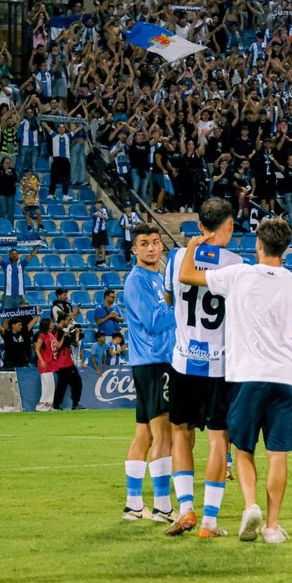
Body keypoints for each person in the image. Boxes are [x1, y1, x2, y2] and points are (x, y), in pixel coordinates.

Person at [179, 216, 292, 545]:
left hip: (244, 377)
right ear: (285, 249)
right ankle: (272, 526)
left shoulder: (238, 274)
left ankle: (250, 506)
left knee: (243, 449)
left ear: (258, 244)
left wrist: (191, 247)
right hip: (283, 378)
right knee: (278, 455)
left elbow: (186, 275)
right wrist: (284, 351)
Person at [161, 198, 243, 538]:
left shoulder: (178, 257)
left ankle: (185, 510)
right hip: (220, 364)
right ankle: (209, 521)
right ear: (227, 226)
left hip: (183, 360)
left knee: (180, 432)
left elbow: (169, 299)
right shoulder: (236, 264)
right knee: (218, 440)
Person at [123, 224, 177, 523]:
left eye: (155, 242)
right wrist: (181, 305)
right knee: (163, 434)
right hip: (155, 362)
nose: (152, 248)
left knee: (143, 434)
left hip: (151, 362)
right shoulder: (136, 281)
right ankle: (163, 507)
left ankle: (133, 505)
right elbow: (154, 321)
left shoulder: (158, 277)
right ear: (135, 250)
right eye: (144, 243)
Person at [0, 245, 39, 309]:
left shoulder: (22, 264)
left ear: (18, 255)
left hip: (20, 295)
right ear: (9, 255)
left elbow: (31, 255)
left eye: (16, 254)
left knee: (20, 316)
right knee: (6, 315)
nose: (14, 255)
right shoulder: (6, 265)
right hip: (8, 296)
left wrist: (38, 246)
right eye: (12, 254)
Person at [33, 318, 58, 413]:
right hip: (44, 363)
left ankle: (47, 405)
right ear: (47, 324)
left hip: (50, 363)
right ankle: (42, 406)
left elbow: (57, 345)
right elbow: (37, 349)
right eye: (51, 322)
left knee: (50, 385)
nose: (52, 324)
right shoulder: (42, 335)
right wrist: (42, 360)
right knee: (47, 385)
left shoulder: (50, 334)